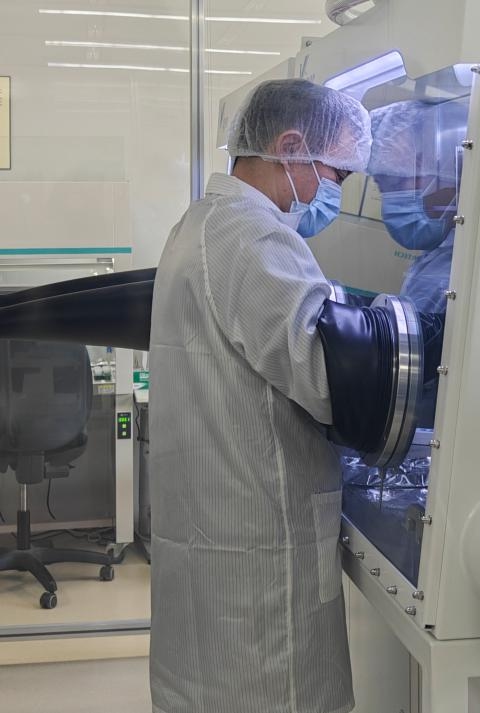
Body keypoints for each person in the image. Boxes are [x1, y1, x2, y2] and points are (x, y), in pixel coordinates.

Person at [147, 78, 371, 713]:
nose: (337, 190)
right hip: (254, 535)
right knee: (270, 692)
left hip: (214, 514)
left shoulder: (203, 222)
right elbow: (325, 378)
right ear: (292, 146)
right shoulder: (254, 237)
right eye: (337, 172)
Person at [366, 100, 465, 314]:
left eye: (397, 184)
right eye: (382, 187)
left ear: (447, 170)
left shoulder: (460, 273)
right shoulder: (438, 256)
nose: (391, 201)